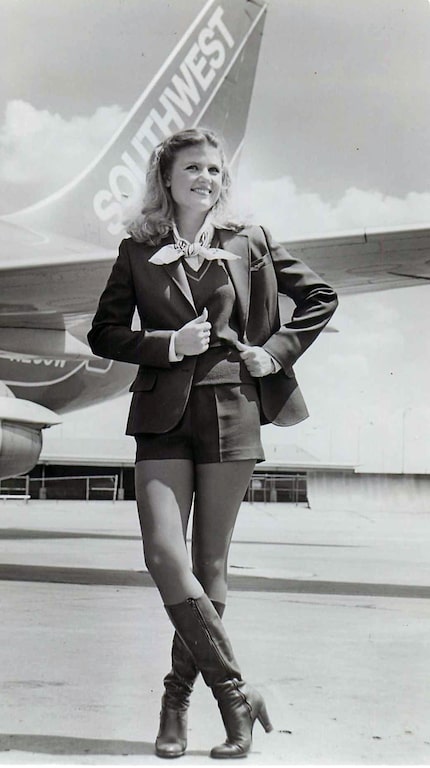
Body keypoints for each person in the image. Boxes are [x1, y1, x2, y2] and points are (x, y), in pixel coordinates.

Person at [88, 127, 338, 759]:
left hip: (232, 407)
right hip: (162, 415)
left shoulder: (248, 241)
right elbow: (104, 332)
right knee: (162, 554)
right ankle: (238, 693)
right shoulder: (136, 251)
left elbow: (319, 296)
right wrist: (168, 345)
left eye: (215, 170)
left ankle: (176, 702)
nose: (207, 178)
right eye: (193, 168)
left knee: (211, 566)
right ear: (166, 179)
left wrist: (273, 353)